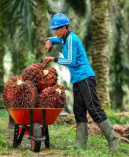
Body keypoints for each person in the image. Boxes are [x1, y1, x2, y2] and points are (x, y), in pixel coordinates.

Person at [43, 13, 119, 152]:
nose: (55, 31)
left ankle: (114, 140)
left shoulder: (71, 39)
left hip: (85, 78)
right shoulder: (64, 38)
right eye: (53, 29)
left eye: (57, 29)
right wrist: (49, 40)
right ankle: (80, 145)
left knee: (94, 108)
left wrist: (53, 58)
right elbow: (55, 39)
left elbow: (70, 61)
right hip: (77, 80)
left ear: (64, 28)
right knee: (78, 110)